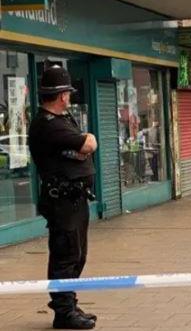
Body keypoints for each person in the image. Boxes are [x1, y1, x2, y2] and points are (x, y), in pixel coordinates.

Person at [28, 66, 98, 330]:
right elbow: (88, 144)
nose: (69, 97)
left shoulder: (63, 121)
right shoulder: (48, 126)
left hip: (75, 199)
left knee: (77, 255)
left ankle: (69, 303)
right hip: (63, 202)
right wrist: (84, 144)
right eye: (67, 92)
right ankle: (63, 312)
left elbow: (83, 148)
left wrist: (81, 146)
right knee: (65, 256)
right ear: (62, 96)